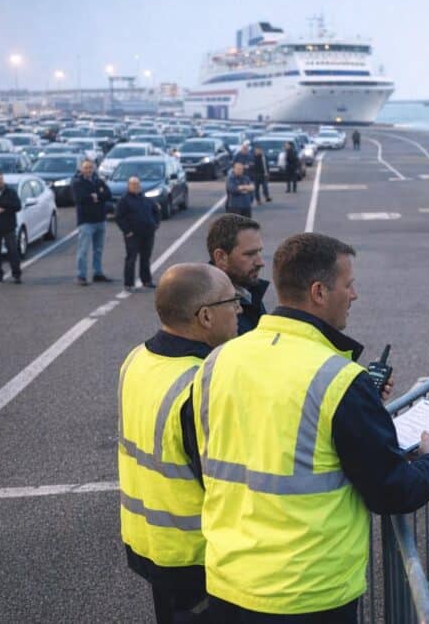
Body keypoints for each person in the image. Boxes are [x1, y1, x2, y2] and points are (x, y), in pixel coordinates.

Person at [193, 232, 429, 622]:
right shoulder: (339, 380)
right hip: (307, 592)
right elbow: (392, 491)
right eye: (349, 285)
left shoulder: (217, 360)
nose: (355, 295)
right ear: (318, 292)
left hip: (229, 581)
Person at [118, 263, 242, 624]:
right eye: (232, 302)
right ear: (205, 316)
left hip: (152, 543)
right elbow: (226, 480)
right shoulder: (202, 384)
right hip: (198, 557)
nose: (238, 310)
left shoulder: (137, 359)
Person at [206, 214, 268, 335]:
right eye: (250, 254)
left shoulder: (247, 290)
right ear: (221, 257)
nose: (261, 262)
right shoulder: (215, 314)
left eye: (259, 252)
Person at [115, 175, 161, 293]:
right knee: (131, 259)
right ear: (128, 186)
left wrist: (155, 225)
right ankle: (129, 283)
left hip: (148, 233)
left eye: (137, 184)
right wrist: (127, 231)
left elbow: (156, 211)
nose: (136, 187)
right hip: (133, 235)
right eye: (133, 184)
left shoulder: (145, 198)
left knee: (145, 258)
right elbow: (119, 217)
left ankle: (146, 280)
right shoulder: (124, 200)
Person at [71, 159, 112, 286]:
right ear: (81, 169)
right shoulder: (77, 183)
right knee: (83, 250)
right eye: (86, 167)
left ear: (94, 168)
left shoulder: (98, 181)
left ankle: (97, 273)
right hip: (86, 221)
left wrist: (97, 197)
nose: (88, 170)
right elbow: (80, 198)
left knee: (98, 249)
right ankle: (81, 275)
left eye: (90, 167)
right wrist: (94, 196)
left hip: (100, 219)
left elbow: (108, 194)